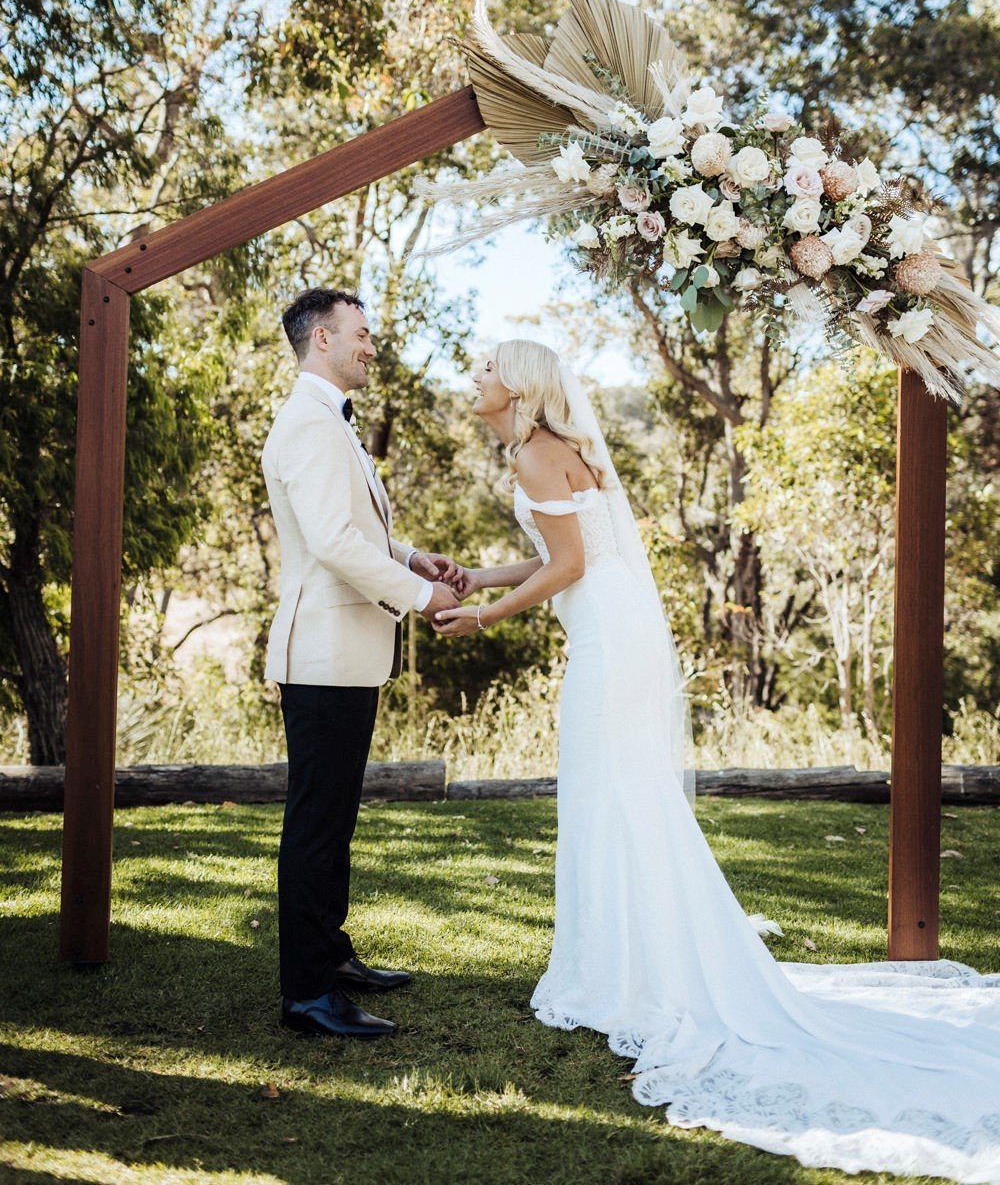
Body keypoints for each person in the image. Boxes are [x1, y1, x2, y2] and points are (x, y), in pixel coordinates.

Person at [434, 339, 1000, 1183]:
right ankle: (623, 959)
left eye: (484, 369)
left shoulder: (542, 450)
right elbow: (568, 554)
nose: (473, 379)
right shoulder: (549, 451)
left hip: (607, 638)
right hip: (615, 627)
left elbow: (574, 565)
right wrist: (481, 577)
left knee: (611, 795)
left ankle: (624, 972)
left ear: (516, 385)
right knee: (616, 794)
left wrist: (485, 618)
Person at [262, 287, 462, 1040]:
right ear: (321, 339)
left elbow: (358, 526)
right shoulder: (308, 426)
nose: (371, 346)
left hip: (345, 654)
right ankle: (308, 995)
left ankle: (331, 956)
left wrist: (412, 554)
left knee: (333, 820)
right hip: (321, 654)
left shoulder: (329, 422)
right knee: (315, 826)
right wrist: (423, 596)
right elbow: (333, 544)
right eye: (361, 334)